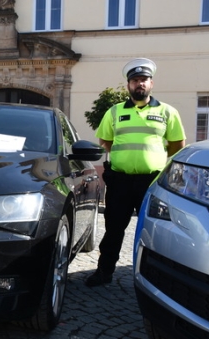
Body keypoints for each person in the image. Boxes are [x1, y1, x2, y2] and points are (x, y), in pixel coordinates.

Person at [85, 58, 186, 287]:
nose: (139, 84)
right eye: (135, 80)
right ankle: (104, 271)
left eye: (144, 80)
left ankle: (155, 277)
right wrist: (127, 159)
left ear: (151, 83)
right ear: (128, 85)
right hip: (120, 181)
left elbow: (177, 144)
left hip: (152, 183)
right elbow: (106, 141)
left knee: (154, 230)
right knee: (113, 229)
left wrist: (152, 159)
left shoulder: (167, 112)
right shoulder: (114, 112)